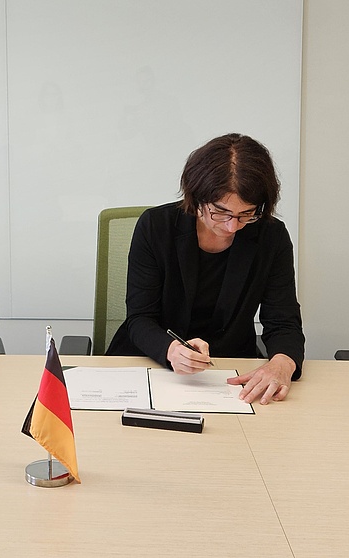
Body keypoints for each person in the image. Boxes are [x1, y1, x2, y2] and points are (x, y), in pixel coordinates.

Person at [106, 133, 304, 404]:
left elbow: (283, 321)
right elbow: (139, 318)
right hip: (148, 364)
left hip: (229, 373)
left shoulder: (271, 236)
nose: (232, 226)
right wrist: (171, 350)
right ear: (197, 197)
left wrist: (282, 363)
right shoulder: (156, 227)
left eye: (246, 213)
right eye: (220, 212)